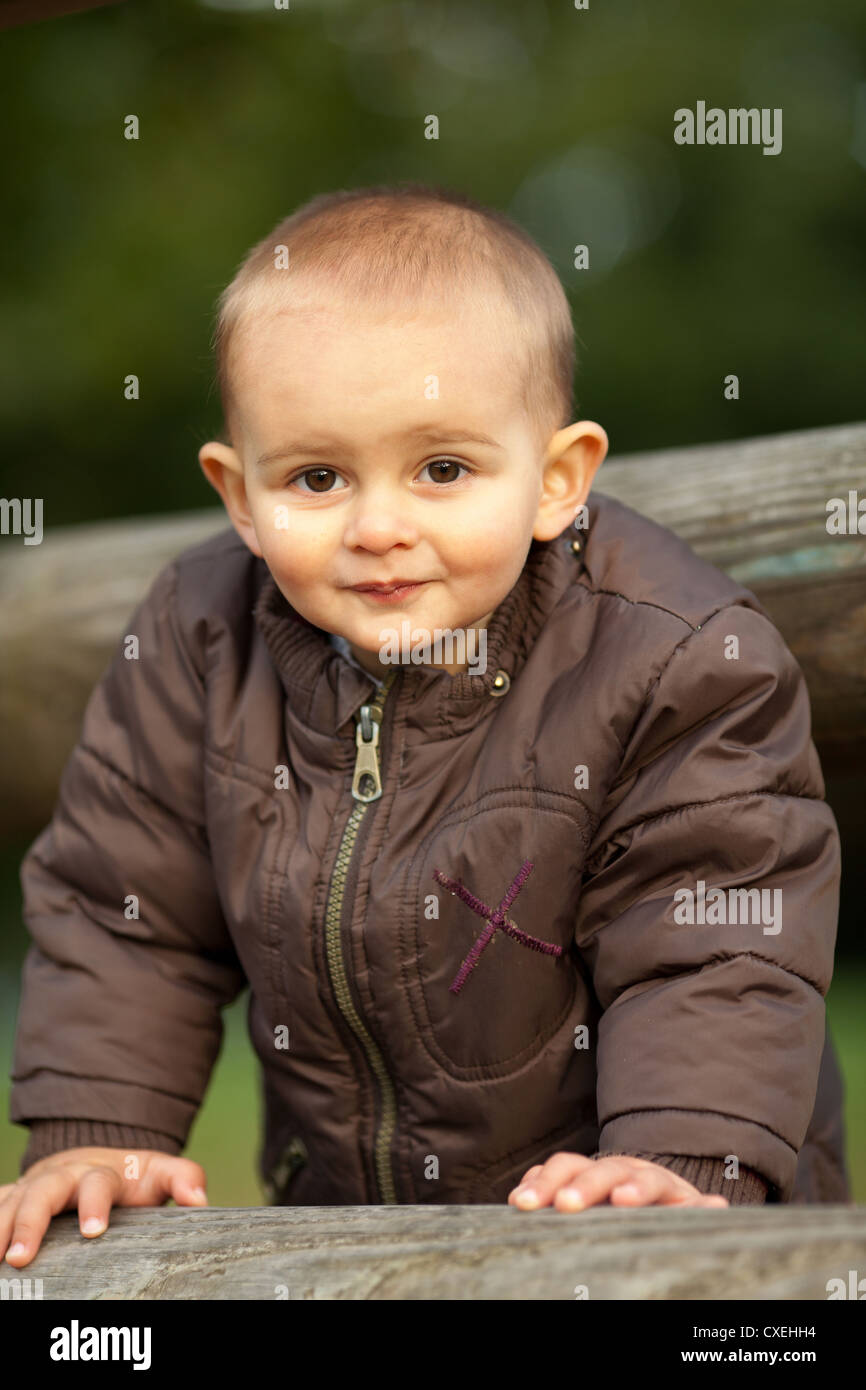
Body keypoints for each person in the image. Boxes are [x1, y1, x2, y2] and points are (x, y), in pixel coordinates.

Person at [2, 182, 850, 1269]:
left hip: (642, 1212)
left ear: (555, 481)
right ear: (239, 495)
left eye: (441, 468)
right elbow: (125, 911)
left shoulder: (674, 658)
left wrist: (679, 1158)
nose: (378, 526)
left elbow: (712, 935)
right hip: (361, 1233)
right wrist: (101, 1133)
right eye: (316, 476)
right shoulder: (196, 640)